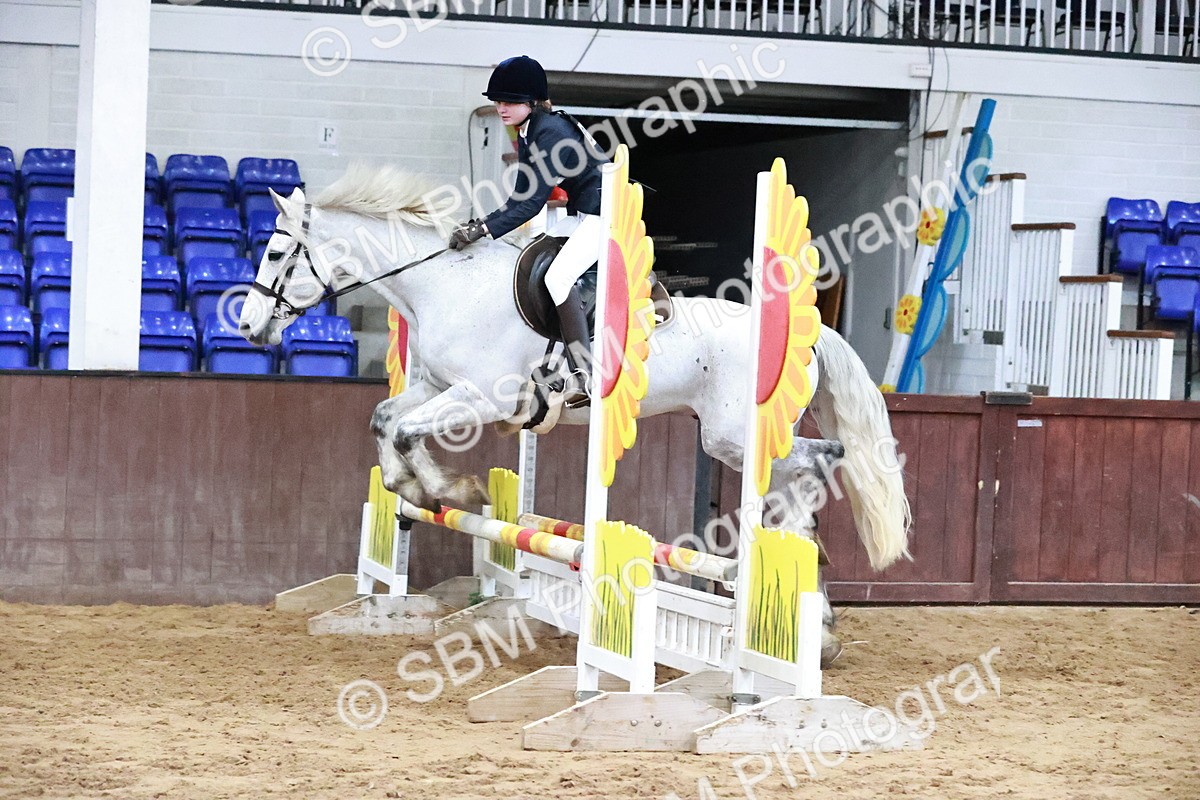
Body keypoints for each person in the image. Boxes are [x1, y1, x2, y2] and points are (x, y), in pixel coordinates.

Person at [448, 54, 608, 401]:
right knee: (528, 255)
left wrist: (484, 231)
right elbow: (519, 196)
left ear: (531, 102)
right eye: (498, 101)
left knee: (557, 277)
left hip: (606, 216)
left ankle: (584, 372)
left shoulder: (550, 132)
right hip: (582, 213)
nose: (501, 108)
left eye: (510, 101)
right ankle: (547, 359)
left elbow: (532, 203)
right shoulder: (529, 129)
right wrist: (481, 225)